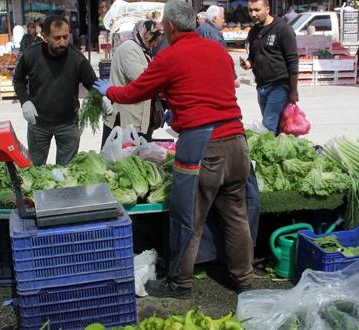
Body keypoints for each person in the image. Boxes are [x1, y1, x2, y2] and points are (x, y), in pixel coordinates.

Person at [93, 0, 254, 298]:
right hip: (237, 141)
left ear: (168, 26)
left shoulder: (169, 56)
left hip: (204, 146)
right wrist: (179, 106)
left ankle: (179, 283)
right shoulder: (218, 50)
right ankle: (243, 279)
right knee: (236, 215)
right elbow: (216, 88)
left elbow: (135, 91)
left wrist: (109, 91)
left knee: (187, 216)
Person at [13, 15, 97, 166]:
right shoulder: (32, 55)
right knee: (35, 169)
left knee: (66, 173)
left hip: (68, 125)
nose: (63, 42)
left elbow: (93, 83)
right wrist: (24, 102)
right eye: (57, 38)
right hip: (38, 123)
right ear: (45, 37)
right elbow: (18, 79)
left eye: (65, 37)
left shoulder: (77, 59)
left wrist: (102, 98)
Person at [102, 20, 163, 148]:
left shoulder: (142, 50)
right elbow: (142, 78)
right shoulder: (129, 48)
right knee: (122, 157)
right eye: (155, 39)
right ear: (146, 34)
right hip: (126, 116)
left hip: (137, 115)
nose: (156, 44)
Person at [241, 0, 298, 134]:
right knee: (276, 127)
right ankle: (280, 152)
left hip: (279, 85)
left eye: (257, 10)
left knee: (267, 126)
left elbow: (293, 61)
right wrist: (248, 63)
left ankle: (265, 154)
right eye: (250, 10)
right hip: (261, 87)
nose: (253, 14)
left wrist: (293, 90)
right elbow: (254, 56)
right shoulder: (253, 32)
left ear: (267, 9)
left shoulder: (282, 29)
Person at [198, 6, 241, 89]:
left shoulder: (200, 29)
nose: (224, 21)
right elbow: (223, 58)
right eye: (222, 18)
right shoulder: (213, 33)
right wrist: (234, 78)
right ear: (215, 19)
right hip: (212, 78)